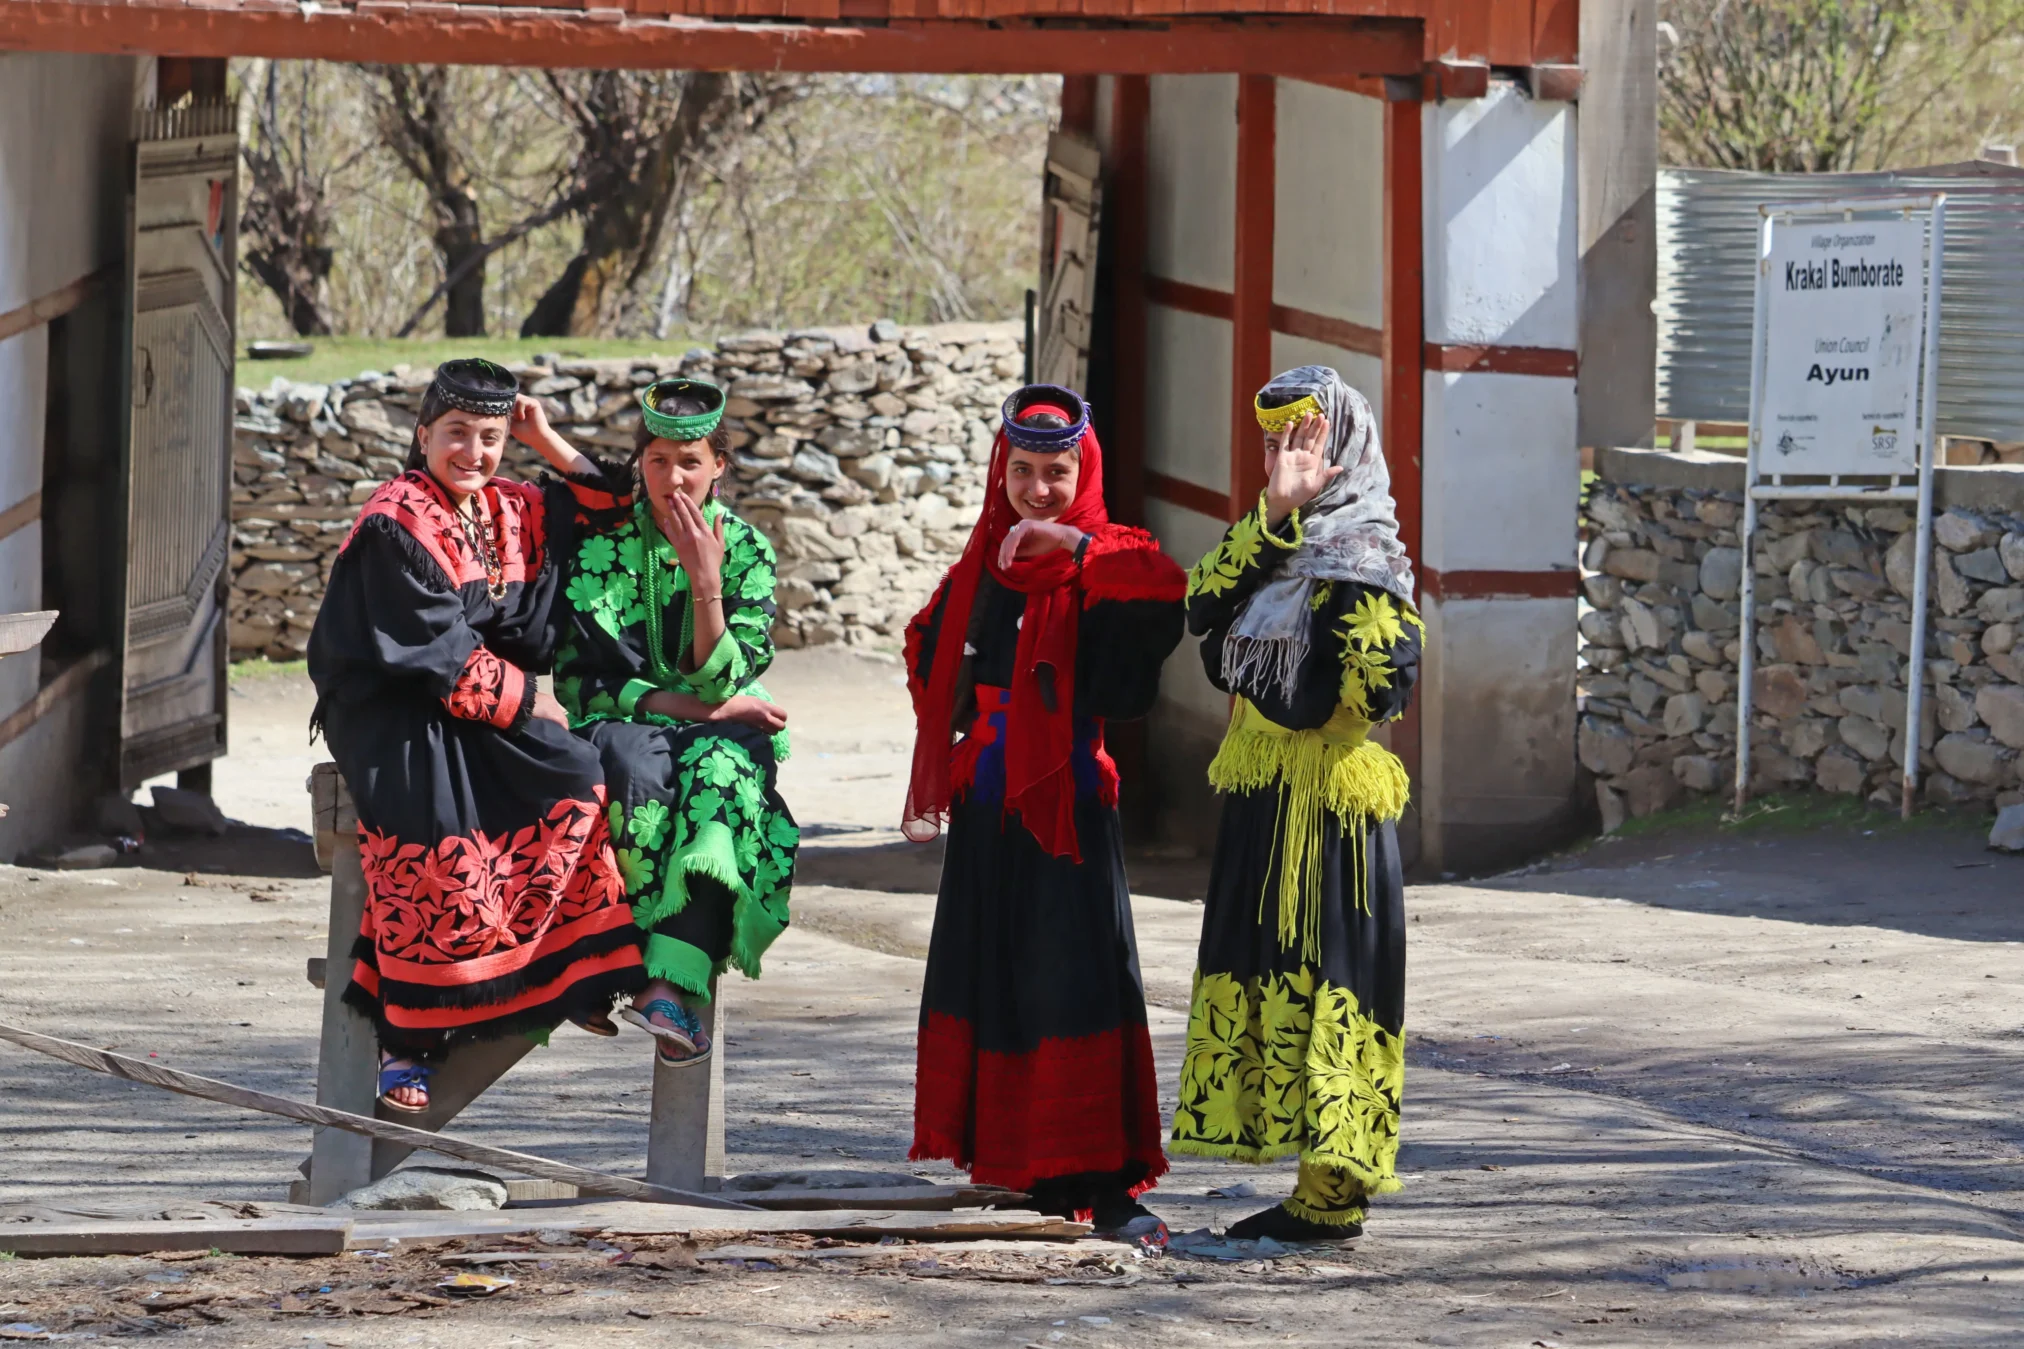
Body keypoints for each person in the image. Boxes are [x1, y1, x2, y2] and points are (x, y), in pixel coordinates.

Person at [308, 358, 646, 1113]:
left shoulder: (511, 506)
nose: (473, 452)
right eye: (457, 432)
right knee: (435, 828)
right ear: (423, 433)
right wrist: (529, 699)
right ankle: (409, 1038)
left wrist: (544, 438)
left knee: (576, 774)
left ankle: (565, 974)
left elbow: (615, 504)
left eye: (490, 437)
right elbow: (430, 648)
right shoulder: (397, 519)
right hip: (394, 707)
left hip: (478, 702)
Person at [902, 384, 1186, 1246]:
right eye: (1021, 470)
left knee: (1079, 982)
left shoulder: (1114, 556)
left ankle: (1106, 1186)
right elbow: (927, 650)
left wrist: (1077, 546)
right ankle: (1027, 1169)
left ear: (1082, 471)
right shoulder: (981, 564)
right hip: (989, 804)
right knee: (1003, 981)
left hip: (1069, 802)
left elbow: (1161, 594)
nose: (1037, 489)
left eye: (1056, 472)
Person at [1169, 365, 1423, 1242]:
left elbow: (1366, 689)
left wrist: (1322, 571)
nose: (1284, 456)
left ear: (1345, 445)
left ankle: (1332, 1191)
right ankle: (1301, 1174)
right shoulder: (1269, 545)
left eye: (1303, 441)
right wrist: (1277, 514)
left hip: (1332, 811)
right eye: (1272, 442)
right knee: (1264, 972)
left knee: (1334, 976)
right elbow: (1199, 605)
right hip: (1261, 800)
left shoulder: (1370, 563)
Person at [539, 377, 799, 1068]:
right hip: (622, 720)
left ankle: (667, 983)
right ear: (640, 464)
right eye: (658, 460)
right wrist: (713, 709)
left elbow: (726, 677)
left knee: (722, 770)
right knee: (632, 767)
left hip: (723, 726)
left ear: (720, 465)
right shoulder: (602, 541)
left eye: (690, 461)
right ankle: (609, 966)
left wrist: (706, 580)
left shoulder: (747, 550)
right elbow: (584, 683)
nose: (674, 477)